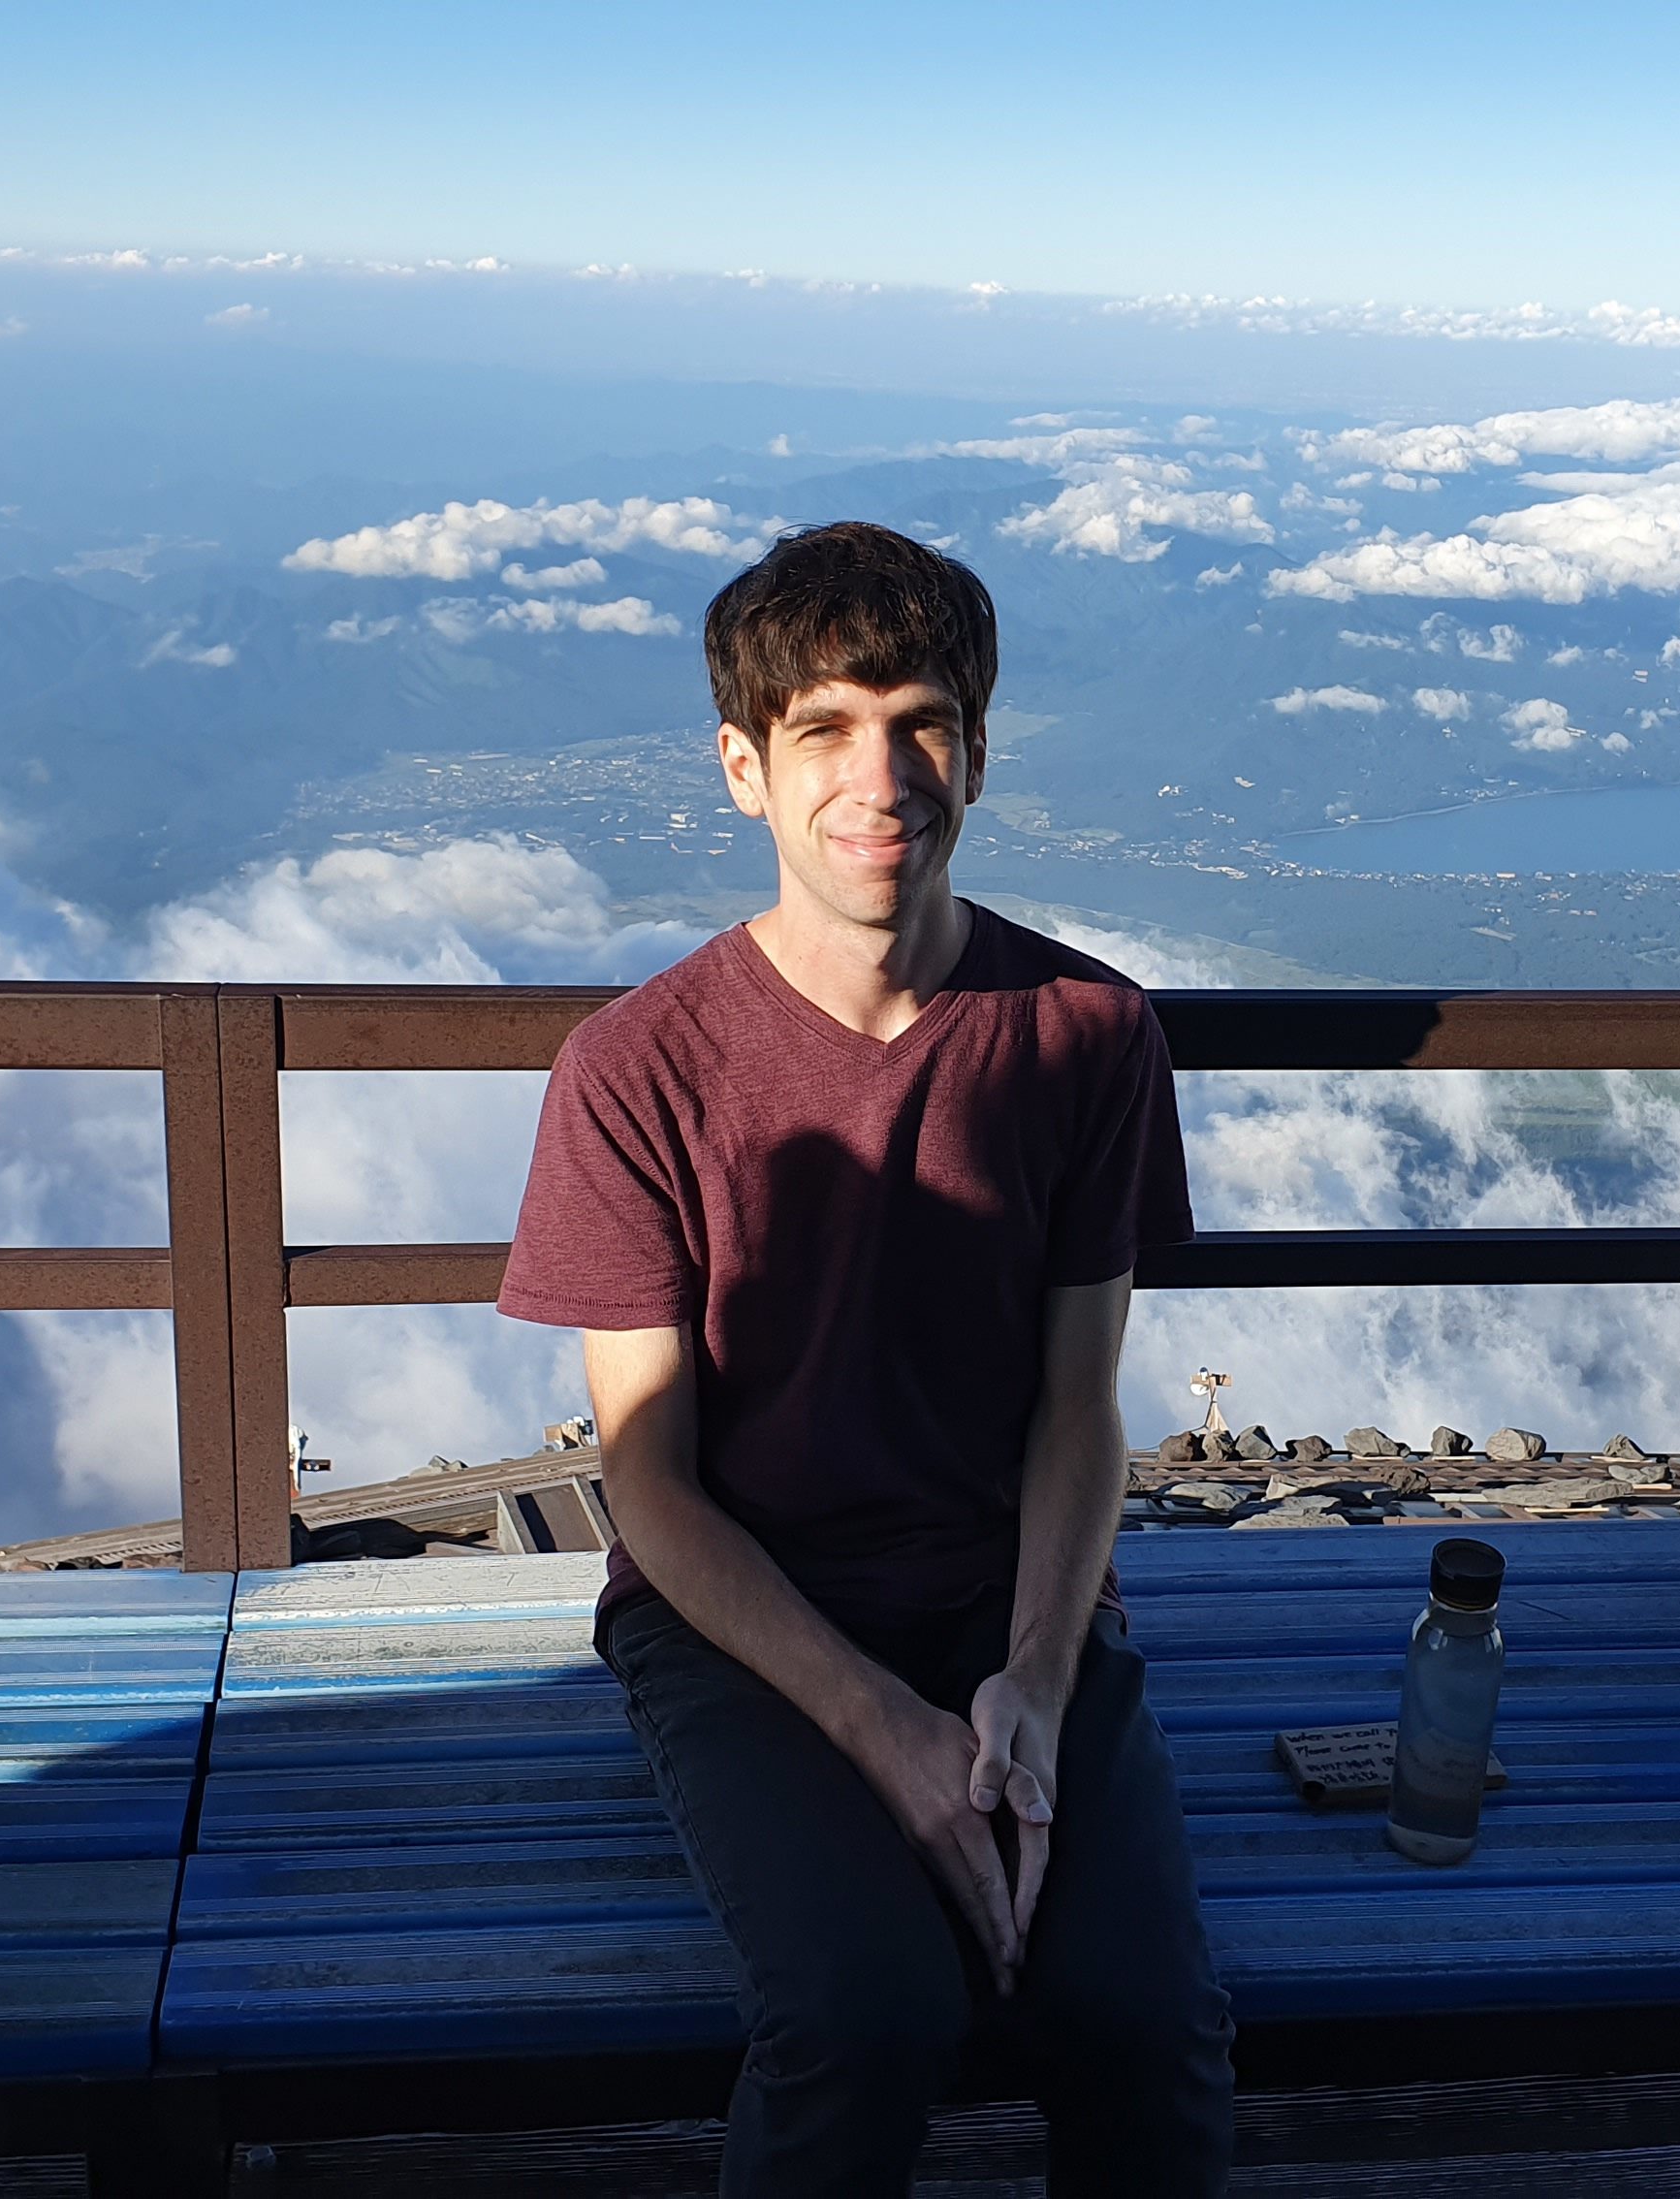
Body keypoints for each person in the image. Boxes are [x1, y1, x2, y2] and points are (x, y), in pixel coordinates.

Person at [496, 522, 1237, 2196]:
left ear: (978, 748)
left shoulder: (1089, 1035)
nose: (881, 772)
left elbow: (1075, 1404)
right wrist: (883, 1731)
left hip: (1013, 1596)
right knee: (862, 2017)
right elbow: (652, 1485)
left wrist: (1035, 1686)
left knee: (1143, 2021)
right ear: (743, 770)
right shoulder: (638, 1070)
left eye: (919, 721)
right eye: (824, 727)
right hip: (738, 1625)